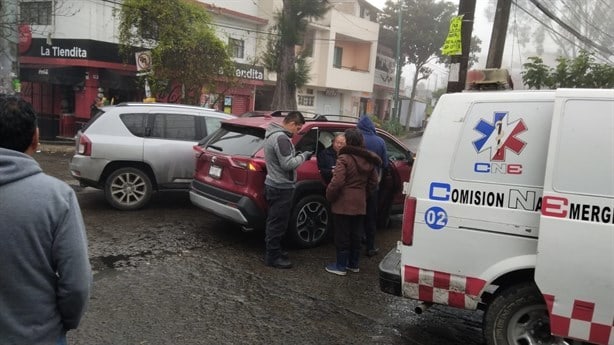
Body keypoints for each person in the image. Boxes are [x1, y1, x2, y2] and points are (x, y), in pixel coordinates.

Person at [0, 94, 92, 344]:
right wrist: (66, 322)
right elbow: (77, 284)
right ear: (36, 137)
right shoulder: (57, 197)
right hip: (40, 335)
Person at [325, 128, 381, 275]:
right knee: (356, 234)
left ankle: (340, 266)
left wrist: (330, 196)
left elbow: (337, 182)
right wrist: (363, 194)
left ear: (348, 142)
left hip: (343, 203)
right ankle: (354, 264)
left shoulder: (344, 158)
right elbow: (374, 182)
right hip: (360, 203)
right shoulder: (369, 159)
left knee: (342, 235)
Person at [263, 111, 312, 269]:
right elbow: (287, 164)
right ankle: (273, 257)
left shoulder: (273, 135)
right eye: (297, 128)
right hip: (280, 187)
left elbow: (282, 160)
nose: (297, 132)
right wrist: (303, 156)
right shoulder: (281, 138)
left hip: (274, 185)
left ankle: (275, 251)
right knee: (277, 224)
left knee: (275, 222)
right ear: (291, 123)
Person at [357, 115, 388, 257]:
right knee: (370, 216)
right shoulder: (380, 141)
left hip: (355, 185)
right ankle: (370, 247)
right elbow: (385, 164)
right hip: (373, 185)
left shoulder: (354, 138)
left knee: (356, 216)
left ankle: (355, 245)